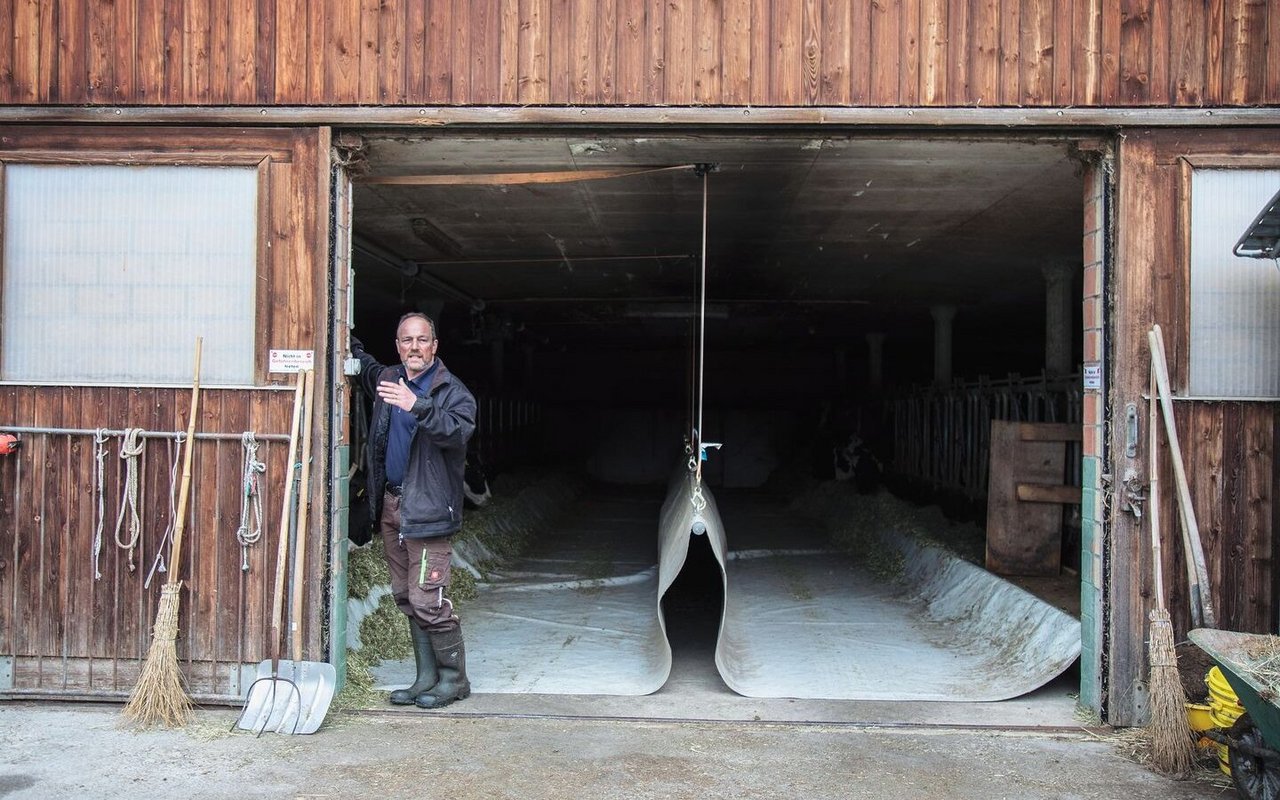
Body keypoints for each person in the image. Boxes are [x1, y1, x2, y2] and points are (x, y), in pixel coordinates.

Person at [351, 312, 477, 709]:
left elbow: (457, 433)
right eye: (407, 341)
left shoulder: (452, 392)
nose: (414, 348)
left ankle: (455, 681)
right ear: (398, 346)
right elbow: (368, 370)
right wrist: (345, 340)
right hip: (392, 505)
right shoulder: (389, 379)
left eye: (422, 340)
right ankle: (425, 677)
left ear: (435, 346)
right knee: (405, 596)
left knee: (429, 600)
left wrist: (417, 405)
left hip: (428, 512)